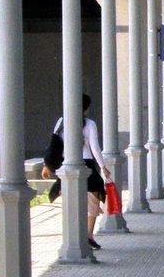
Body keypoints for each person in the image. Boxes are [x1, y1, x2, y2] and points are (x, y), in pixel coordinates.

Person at [42, 93, 112, 250]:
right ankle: (88, 235)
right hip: (86, 164)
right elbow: (95, 148)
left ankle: (73, 235)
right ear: (86, 108)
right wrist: (102, 166)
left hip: (65, 165)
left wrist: (47, 165)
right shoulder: (89, 124)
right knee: (93, 199)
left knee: (71, 200)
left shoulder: (61, 122)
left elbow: (53, 145)